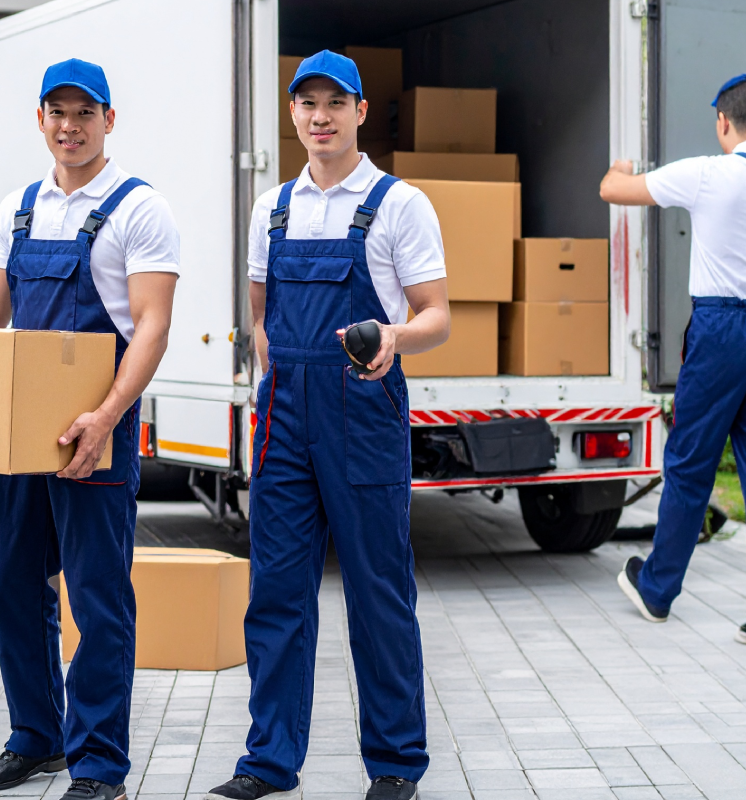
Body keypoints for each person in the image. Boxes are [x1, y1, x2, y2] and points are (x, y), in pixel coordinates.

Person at [205, 51, 451, 800]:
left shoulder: (398, 203)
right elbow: (260, 315)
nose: (321, 117)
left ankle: (396, 764)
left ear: (360, 112)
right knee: (276, 592)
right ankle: (269, 761)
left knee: (378, 591)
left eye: (335, 103)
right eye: (307, 103)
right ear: (293, 113)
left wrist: (393, 338)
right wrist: (277, 381)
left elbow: (437, 316)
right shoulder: (272, 208)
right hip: (284, 413)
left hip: (362, 410)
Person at [0, 58, 180, 800]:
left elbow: (152, 326)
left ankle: (99, 766)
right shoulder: (19, 209)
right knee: (14, 583)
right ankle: (36, 739)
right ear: (41, 119)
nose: (71, 126)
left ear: (109, 120)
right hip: (21, 433)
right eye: (58, 112)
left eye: (86, 113)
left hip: (98, 430)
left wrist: (107, 417)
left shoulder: (139, 208)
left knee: (97, 596)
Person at [599, 75, 746, 655]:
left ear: (723, 122)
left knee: (691, 464)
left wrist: (621, 165)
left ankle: (657, 590)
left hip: (721, 332)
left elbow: (613, 191)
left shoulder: (707, 174)